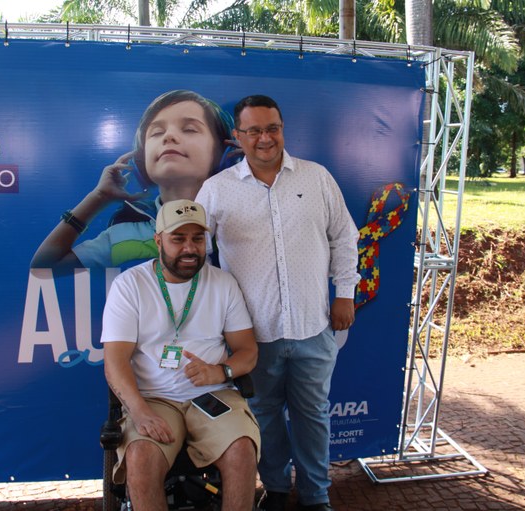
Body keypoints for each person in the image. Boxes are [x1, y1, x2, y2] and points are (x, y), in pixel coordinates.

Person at [195, 95, 361, 511]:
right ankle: (276, 488)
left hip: (313, 326)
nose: (264, 138)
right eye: (253, 131)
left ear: (283, 129)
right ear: (238, 137)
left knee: (313, 416)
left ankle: (316, 496)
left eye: (272, 128)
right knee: (263, 417)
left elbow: (344, 237)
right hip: (252, 336)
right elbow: (199, 255)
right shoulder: (216, 190)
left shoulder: (316, 177)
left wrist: (345, 294)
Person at [100, 199, 261, 511]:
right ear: (158, 240)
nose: (190, 248)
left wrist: (221, 371)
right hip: (153, 398)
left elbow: (247, 351)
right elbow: (115, 361)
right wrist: (139, 411)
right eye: (178, 238)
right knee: (141, 457)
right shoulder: (130, 285)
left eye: (198, 239)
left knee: (242, 450)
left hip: (212, 395)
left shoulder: (223, 283)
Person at [31, 90, 235, 270]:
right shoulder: (123, 235)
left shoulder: (237, 220)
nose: (169, 136)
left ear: (225, 152)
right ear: (141, 159)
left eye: (189, 129)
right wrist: (99, 197)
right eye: (157, 132)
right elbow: (45, 265)